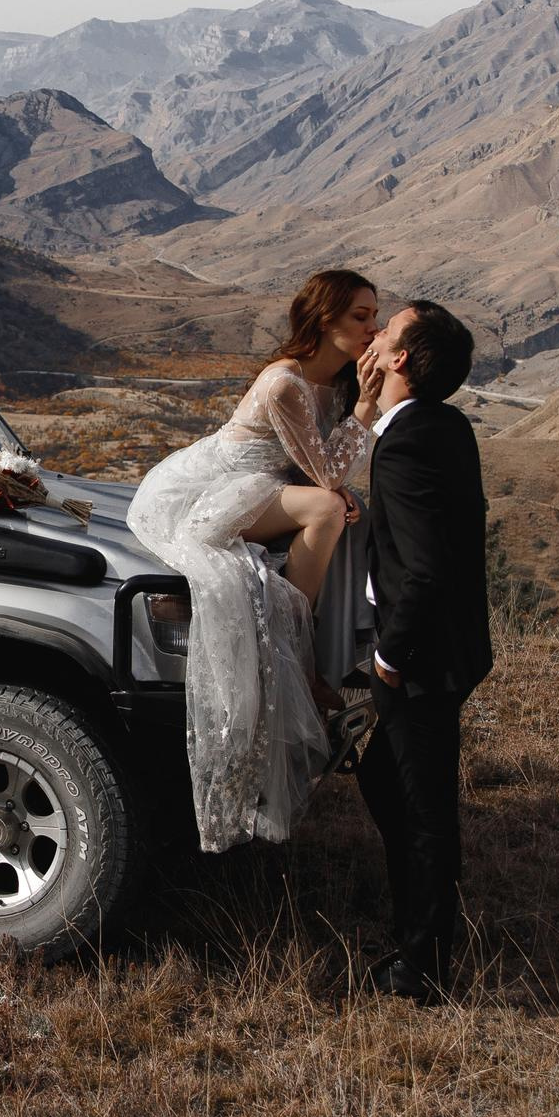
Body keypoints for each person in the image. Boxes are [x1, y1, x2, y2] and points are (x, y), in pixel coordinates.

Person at [128, 270, 382, 850]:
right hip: (211, 490)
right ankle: (299, 631)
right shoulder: (285, 382)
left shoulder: (336, 381)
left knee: (347, 507)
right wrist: (366, 406)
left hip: (263, 483)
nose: (374, 328)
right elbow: (327, 474)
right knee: (325, 506)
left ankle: (347, 637)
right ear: (325, 321)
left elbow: (332, 468)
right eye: (361, 317)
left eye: (374, 316)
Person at [351, 299, 493, 1003]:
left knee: (423, 805)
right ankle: (415, 924)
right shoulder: (443, 425)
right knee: (387, 780)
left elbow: (428, 565)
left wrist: (389, 657)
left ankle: (422, 965)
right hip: (454, 648)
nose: (373, 337)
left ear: (402, 358)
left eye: (386, 332)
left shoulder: (406, 442)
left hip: (421, 658)